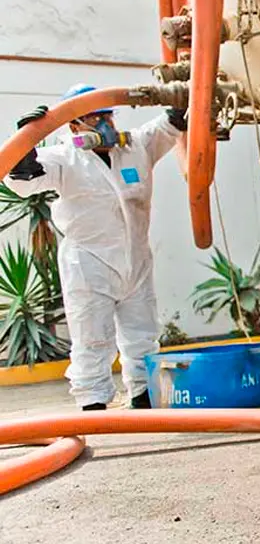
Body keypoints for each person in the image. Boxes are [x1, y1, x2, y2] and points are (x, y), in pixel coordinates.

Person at [5, 84, 188, 411]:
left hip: (136, 258)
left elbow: (170, 124)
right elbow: (22, 179)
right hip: (89, 263)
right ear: (75, 124)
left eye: (108, 116)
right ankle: (93, 406)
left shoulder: (136, 146)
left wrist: (187, 97)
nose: (105, 124)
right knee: (92, 339)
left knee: (143, 335)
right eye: (94, 117)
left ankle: (143, 397)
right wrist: (28, 140)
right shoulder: (64, 159)